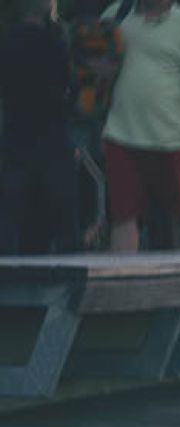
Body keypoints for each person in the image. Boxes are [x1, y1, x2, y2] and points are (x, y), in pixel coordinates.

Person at [100, 0, 180, 252]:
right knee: (123, 216)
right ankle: (122, 284)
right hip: (121, 133)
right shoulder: (115, 15)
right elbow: (92, 64)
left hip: (173, 138)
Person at [0, 0, 78, 255]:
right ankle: (66, 265)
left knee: (12, 210)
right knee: (60, 209)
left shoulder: (7, 42)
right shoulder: (54, 44)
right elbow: (68, 86)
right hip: (51, 135)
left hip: (15, 135)